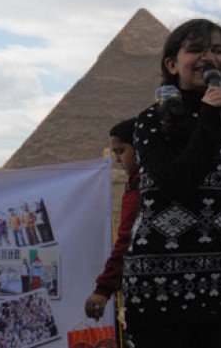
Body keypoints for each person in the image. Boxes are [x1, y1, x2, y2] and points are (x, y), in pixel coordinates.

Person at [121, 18, 221, 348]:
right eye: (196, 49)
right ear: (172, 65)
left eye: (218, 50)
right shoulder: (150, 121)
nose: (209, 57)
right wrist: (209, 117)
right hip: (158, 287)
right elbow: (177, 183)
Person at [85, 117, 140, 320]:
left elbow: (128, 238)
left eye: (121, 151)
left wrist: (103, 289)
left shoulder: (141, 187)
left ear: (140, 148)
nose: (117, 159)